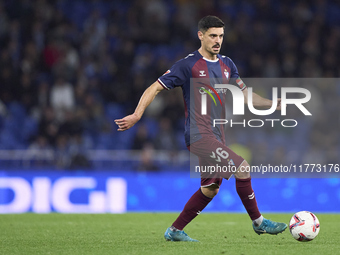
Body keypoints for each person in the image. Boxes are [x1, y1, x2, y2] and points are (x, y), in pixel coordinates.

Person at [115, 16, 287, 242]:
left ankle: (175, 231)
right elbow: (154, 87)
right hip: (198, 134)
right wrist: (137, 114)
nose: (218, 41)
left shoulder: (228, 64)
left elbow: (245, 95)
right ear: (201, 35)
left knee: (210, 188)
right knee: (242, 167)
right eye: (213, 36)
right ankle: (259, 222)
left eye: (221, 36)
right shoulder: (188, 65)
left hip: (217, 135)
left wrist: (271, 104)